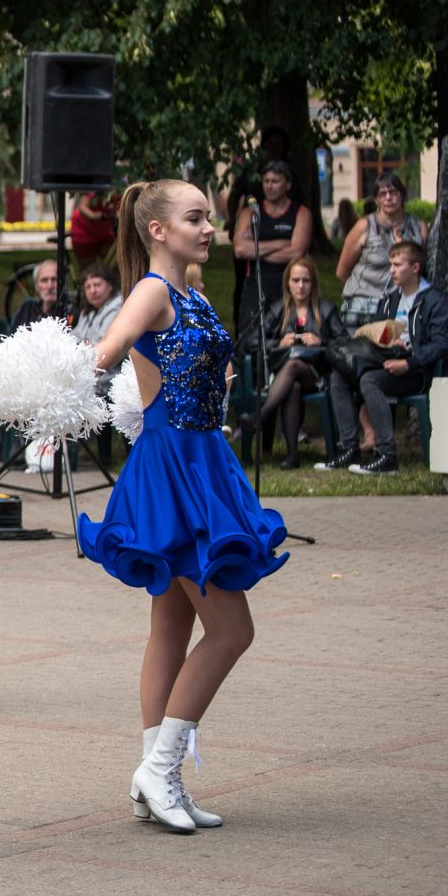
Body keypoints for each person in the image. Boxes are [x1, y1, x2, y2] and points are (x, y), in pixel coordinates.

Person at [78, 178, 286, 834]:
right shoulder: (151, 291)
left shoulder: (191, 294)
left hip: (202, 462)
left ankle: (153, 777)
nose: (210, 226)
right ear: (158, 231)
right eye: (195, 217)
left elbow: (194, 372)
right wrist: (53, 389)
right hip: (174, 471)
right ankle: (160, 769)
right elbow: (106, 354)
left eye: (210, 216)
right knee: (232, 630)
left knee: (171, 625)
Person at [317, 239, 448, 476]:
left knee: (370, 380)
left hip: (416, 371)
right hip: (385, 361)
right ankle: (349, 447)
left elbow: (443, 343)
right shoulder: (390, 298)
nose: (391, 270)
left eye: (397, 265)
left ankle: (387, 455)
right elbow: (377, 331)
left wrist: (408, 362)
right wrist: (385, 341)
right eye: (390, 264)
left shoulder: (432, 300)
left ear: (415, 268)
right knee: (339, 375)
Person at [0, 258, 68, 465]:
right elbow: (10, 339)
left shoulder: (68, 312)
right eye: (44, 280)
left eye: (54, 280)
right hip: (18, 365)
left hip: (46, 373)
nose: (50, 285)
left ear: (62, 283)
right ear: (37, 286)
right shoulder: (28, 307)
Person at [251, 257, 344, 468]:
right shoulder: (278, 310)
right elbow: (252, 341)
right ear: (287, 283)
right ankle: (292, 455)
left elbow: (344, 342)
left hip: (317, 374)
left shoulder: (326, 309)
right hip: (285, 376)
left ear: (313, 283)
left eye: (306, 280)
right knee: (293, 386)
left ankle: (261, 415)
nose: (300, 286)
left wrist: (321, 341)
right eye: (296, 280)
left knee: (293, 365)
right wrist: (279, 341)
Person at [229, 160, 314, 341]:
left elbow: (297, 252)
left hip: (288, 286)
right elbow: (240, 250)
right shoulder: (250, 213)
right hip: (255, 285)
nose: (270, 186)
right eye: (266, 181)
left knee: (285, 336)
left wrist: (257, 247)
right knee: (249, 338)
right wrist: (282, 243)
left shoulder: (301, 213)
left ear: (287, 184)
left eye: (275, 181)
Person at [334, 172, 427, 327]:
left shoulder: (419, 226)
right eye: (382, 194)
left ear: (402, 195)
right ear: (377, 200)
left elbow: (421, 268)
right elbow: (342, 272)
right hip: (363, 307)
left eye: (393, 192)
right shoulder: (364, 226)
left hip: (403, 305)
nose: (388, 198)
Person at [69, 190, 120, 265]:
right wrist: (96, 216)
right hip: (84, 230)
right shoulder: (92, 187)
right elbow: (83, 207)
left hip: (104, 231)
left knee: (115, 265)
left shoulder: (117, 187)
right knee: (89, 267)